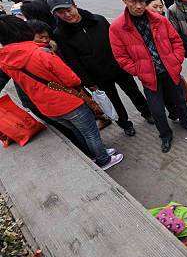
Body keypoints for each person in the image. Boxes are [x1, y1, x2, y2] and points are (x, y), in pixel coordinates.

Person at [0, 15, 123, 170]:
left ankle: (95, 154)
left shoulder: (4, 60)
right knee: (90, 133)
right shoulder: (40, 53)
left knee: (78, 131)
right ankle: (104, 160)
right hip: (68, 102)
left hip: (46, 108)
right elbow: (72, 80)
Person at [49, 0, 154, 137]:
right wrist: (88, 82)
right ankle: (125, 124)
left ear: (75, 6)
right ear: (55, 14)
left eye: (69, 9)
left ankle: (147, 112)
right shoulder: (60, 34)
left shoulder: (98, 20)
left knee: (134, 91)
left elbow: (118, 42)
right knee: (113, 101)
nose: (67, 14)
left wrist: (126, 61)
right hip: (97, 76)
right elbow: (72, 61)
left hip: (118, 67)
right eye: (61, 13)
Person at [109, 0, 187, 153]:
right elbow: (121, 57)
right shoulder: (118, 27)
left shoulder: (159, 19)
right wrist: (138, 70)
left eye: (142, 1)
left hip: (170, 71)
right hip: (149, 77)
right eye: (133, 1)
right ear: (124, 1)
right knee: (157, 111)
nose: (139, 6)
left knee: (180, 101)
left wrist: (175, 60)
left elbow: (176, 41)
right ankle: (165, 135)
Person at [145, 0, 187, 119]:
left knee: (178, 90)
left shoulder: (164, 21)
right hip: (153, 69)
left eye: (161, 6)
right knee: (164, 95)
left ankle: (183, 111)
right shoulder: (142, 26)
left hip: (170, 64)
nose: (159, 10)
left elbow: (176, 40)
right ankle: (174, 114)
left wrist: (177, 59)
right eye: (155, 7)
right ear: (145, 7)